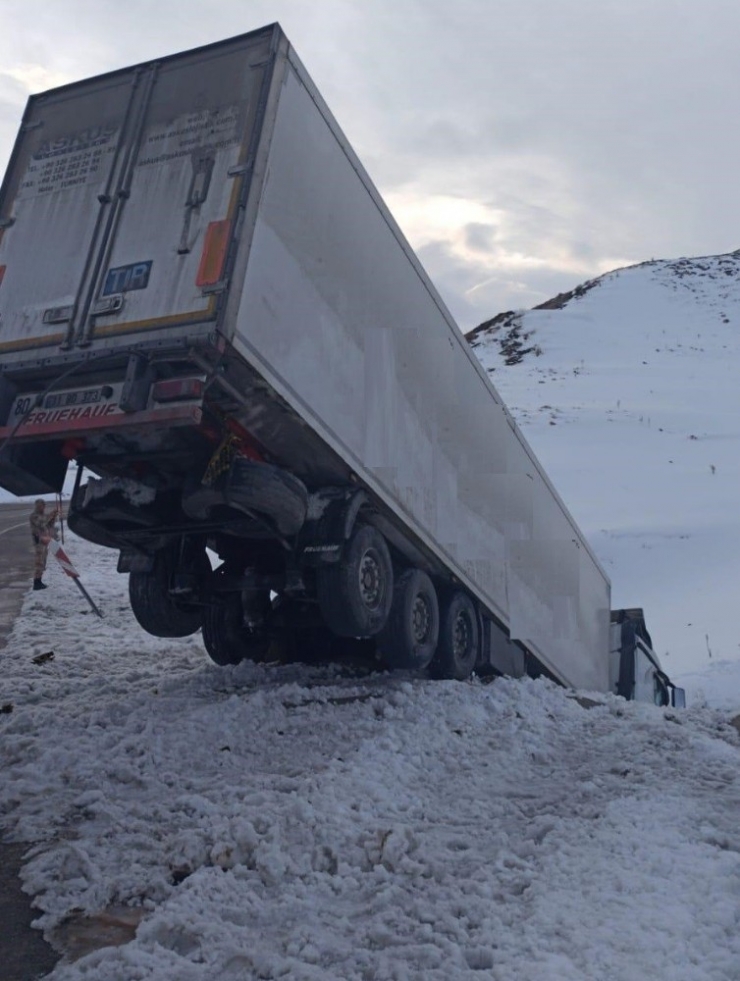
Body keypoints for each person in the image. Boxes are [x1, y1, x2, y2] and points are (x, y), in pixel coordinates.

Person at [29, 499, 59, 591]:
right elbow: (42, 523)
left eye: (42, 505)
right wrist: (51, 515)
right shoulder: (34, 516)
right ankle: (36, 583)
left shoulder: (44, 516)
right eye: (39, 506)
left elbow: (49, 525)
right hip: (39, 543)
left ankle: (39, 581)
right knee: (39, 563)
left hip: (45, 541)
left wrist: (54, 516)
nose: (41, 507)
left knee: (43, 562)